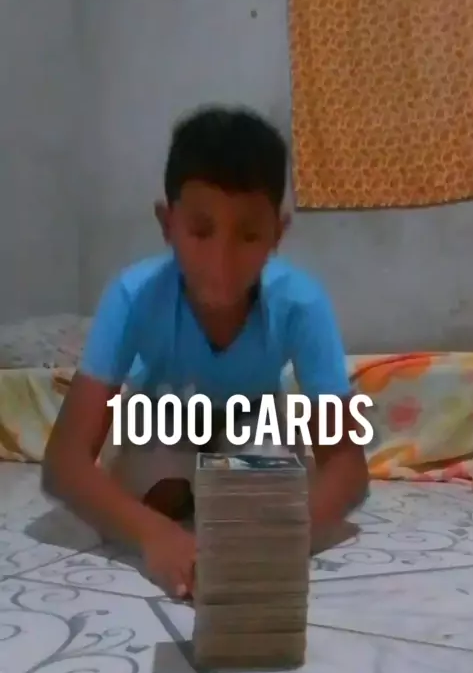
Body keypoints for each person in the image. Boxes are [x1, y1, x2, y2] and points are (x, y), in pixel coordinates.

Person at [43, 106, 369, 599]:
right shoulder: (133, 297)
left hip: (253, 417)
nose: (222, 261)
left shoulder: (300, 303)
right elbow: (65, 462)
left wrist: (286, 536)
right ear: (167, 224)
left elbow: (346, 466)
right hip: (161, 416)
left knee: (264, 493)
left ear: (277, 235)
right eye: (200, 231)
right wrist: (153, 535)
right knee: (151, 491)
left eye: (249, 235)